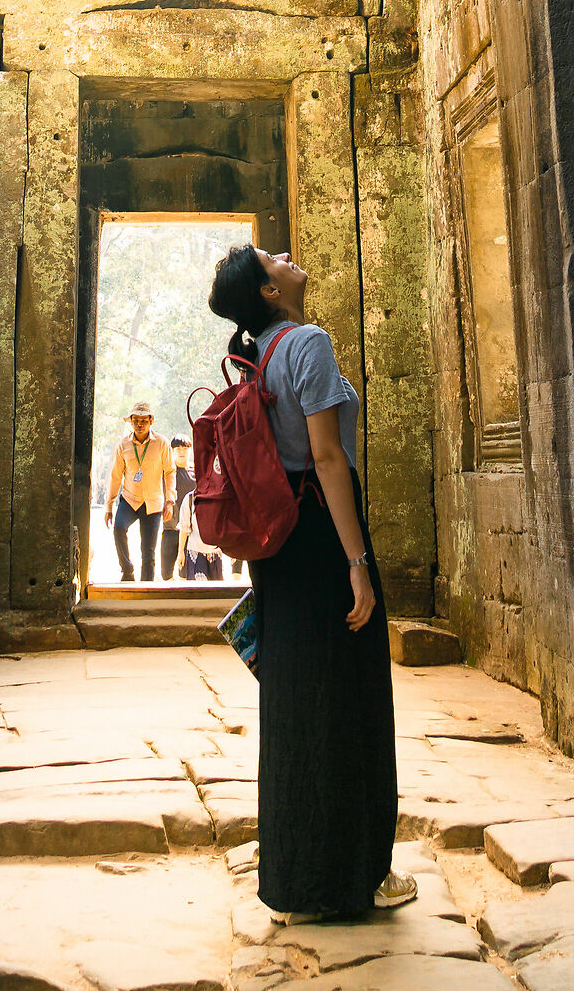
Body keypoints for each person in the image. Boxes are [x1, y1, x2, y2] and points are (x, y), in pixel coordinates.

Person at [208, 244, 414, 923]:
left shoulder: (255, 353)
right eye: (273, 258)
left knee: (296, 703)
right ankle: (359, 875)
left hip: (277, 549)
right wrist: (357, 563)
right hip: (325, 539)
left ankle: (296, 876)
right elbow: (327, 458)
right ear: (270, 291)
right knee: (350, 701)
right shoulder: (308, 342)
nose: (287, 256)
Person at [104, 400, 174, 582]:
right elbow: (115, 476)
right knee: (119, 528)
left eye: (144, 420)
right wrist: (109, 505)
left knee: (148, 554)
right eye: (136, 420)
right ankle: (127, 570)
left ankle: (147, 591)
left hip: (153, 503)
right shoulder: (123, 445)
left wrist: (169, 501)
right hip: (129, 499)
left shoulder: (161, 443)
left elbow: (170, 472)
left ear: (151, 421)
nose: (140, 424)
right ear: (131, 421)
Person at [161, 434, 194, 581]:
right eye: (178, 448)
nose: (181, 451)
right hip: (170, 529)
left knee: (185, 576)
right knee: (166, 575)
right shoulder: (167, 472)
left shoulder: (196, 472)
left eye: (185, 448)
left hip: (190, 533)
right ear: (172, 451)